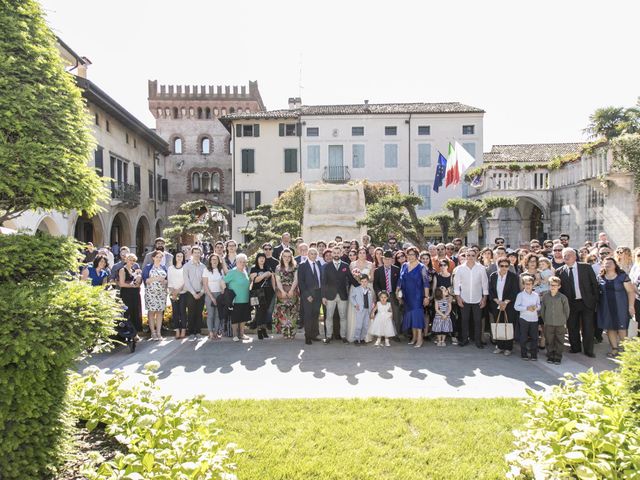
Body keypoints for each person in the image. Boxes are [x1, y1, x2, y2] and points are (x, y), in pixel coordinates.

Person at [556, 248, 599, 358]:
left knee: (588, 327)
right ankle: (575, 348)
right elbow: (559, 291)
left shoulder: (585, 267)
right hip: (571, 304)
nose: (566, 257)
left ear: (575, 257)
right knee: (572, 326)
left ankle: (589, 350)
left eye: (568, 255)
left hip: (586, 302)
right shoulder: (559, 271)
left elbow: (594, 284)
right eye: (564, 255)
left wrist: (595, 300)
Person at [597, 256, 636, 357]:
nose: (608, 264)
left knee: (622, 328)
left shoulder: (622, 276)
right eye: (606, 263)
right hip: (606, 307)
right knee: (610, 328)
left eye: (610, 263)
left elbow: (631, 292)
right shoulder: (600, 277)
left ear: (615, 265)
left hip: (621, 307)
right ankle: (614, 349)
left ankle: (627, 350)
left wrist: (631, 306)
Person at [321, 245, 360, 344]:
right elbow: (324, 282)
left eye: (338, 253)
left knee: (343, 317)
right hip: (330, 296)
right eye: (334, 253)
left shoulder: (345, 265)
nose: (336, 255)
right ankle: (328, 336)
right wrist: (323, 296)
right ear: (332, 254)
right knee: (329, 317)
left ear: (341, 253)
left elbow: (351, 279)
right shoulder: (327, 266)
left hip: (342, 295)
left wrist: (361, 285)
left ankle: (343, 336)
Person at [453, 249, 489, 348]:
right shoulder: (460, 268)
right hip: (464, 299)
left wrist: (484, 298)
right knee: (464, 320)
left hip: (478, 299)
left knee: (477, 321)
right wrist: (458, 298)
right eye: (468, 255)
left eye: (472, 255)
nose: (470, 257)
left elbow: (485, 284)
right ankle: (464, 340)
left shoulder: (481, 268)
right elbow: (456, 285)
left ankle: (478, 341)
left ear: (476, 256)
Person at [398, 247, 430, 348]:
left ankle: (420, 339)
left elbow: (426, 283)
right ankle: (414, 338)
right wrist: (397, 290)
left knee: (417, 316)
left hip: (417, 296)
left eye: (412, 254)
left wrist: (426, 297)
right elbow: (400, 279)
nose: (410, 256)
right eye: (409, 254)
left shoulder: (422, 267)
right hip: (407, 295)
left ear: (417, 255)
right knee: (411, 317)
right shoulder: (404, 266)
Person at [488, 258, 520, 355]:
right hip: (496, 304)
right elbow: (491, 290)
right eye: (502, 266)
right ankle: (499, 346)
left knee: (508, 325)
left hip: (509, 305)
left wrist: (505, 302)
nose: (504, 268)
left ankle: (508, 348)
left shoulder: (513, 277)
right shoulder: (493, 276)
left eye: (506, 266)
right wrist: (498, 301)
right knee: (499, 324)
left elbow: (515, 291)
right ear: (498, 266)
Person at [540, 276, 570, 365]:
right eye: (551, 285)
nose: (553, 287)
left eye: (555, 285)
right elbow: (543, 310)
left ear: (559, 286)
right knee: (549, 340)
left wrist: (564, 320)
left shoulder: (562, 297)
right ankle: (550, 355)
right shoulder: (545, 296)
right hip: (548, 323)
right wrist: (545, 320)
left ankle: (557, 356)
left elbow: (566, 311)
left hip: (560, 323)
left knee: (559, 340)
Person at [222, 253, 251, 341]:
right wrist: (226, 292)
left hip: (245, 298)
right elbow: (223, 281)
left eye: (244, 262)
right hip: (235, 300)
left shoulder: (245, 271)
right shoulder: (233, 272)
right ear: (236, 262)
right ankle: (235, 335)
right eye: (240, 262)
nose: (242, 263)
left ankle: (242, 334)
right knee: (235, 318)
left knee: (243, 317)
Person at [373, 250, 401, 341]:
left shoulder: (397, 269)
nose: (387, 261)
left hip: (393, 295)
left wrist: (399, 294)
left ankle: (395, 334)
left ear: (392, 260)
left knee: (395, 314)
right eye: (385, 259)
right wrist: (379, 294)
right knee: (382, 315)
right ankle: (381, 334)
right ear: (383, 259)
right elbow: (375, 284)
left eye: (389, 259)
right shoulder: (378, 271)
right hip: (382, 296)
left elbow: (399, 283)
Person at [297, 247, 323, 345]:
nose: (313, 255)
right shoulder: (303, 265)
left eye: (315, 254)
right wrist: (307, 295)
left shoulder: (318, 264)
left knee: (315, 315)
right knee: (308, 315)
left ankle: (314, 335)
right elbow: (301, 282)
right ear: (308, 254)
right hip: (308, 294)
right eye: (311, 253)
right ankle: (307, 336)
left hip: (318, 293)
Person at [272, 248, 299, 339]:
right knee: (282, 313)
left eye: (289, 256)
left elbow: (296, 279)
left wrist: (291, 290)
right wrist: (282, 291)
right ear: (281, 257)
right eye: (285, 256)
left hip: (293, 291)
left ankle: (292, 333)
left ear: (291, 257)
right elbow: (278, 281)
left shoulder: (295, 267)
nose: (287, 258)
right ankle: (285, 332)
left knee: (293, 313)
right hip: (281, 292)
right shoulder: (278, 268)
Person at [143, 250, 168, 341]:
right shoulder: (148, 267)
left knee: (160, 312)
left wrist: (164, 281)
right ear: (153, 258)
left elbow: (166, 280)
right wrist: (156, 278)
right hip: (151, 293)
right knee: (151, 312)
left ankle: (158, 332)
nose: (159, 259)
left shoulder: (164, 267)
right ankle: (153, 332)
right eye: (157, 257)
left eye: (160, 257)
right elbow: (146, 280)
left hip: (161, 293)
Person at [514, 275, 541, 361]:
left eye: (530, 284)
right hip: (524, 319)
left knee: (534, 337)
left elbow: (539, 305)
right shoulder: (520, 295)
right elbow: (516, 307)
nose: (528, 286)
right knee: (524, 337)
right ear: (523, 285)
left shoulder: (536, 295)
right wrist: (526, 308)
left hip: (534, 319)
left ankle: (533, 354)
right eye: (526, 284)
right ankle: (524, 354)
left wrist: (536, 308)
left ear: (533, 285)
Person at [249, 252, 275, 340]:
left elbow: (272, 277)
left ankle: (263, 329)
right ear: (257, 259)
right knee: (259, 311)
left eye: (263, 258)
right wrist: (264, 274)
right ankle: (259, 330)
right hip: (257, 292)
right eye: (260, 258)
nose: (262, 259)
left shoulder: (267, 267)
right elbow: (255, 280)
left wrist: (274, 289)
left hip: (268, 292)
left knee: (265, 311)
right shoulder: (254, 268)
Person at [184, 246, 206, 338]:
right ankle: (191, 332)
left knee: (199, 313)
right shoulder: (187, 266)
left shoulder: (203, 266)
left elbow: (205, 281)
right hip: (190, 293)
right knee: (191, 313)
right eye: (195, 252)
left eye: (198, 252)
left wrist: (201, 292)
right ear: (192, 254)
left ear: (201, 254)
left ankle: (198, 331)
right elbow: (186, 281)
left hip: (201, 293)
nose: (197, 254)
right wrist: (193, 293)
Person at [118, 253, 143, 333]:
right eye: (130, 260)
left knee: (135, 312)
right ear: (126, 260)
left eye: (133, 260)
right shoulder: (122, 270)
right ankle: (128, 331)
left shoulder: (134, 271)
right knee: (128, 312)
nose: (131, 262)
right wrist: (132, 286)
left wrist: (139, 280)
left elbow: (137, 283)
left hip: (135, 294)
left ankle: (135, 332)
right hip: (127, 294)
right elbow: (121, 284)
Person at [203, 253, 225, 341]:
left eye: (216, 259)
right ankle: (211, 333)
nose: (214, 261)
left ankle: (216, 332)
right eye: (213, 259)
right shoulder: (206, 270)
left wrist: (222, 291)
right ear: (210, 261)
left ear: (218, 261)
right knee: (211, 315)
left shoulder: (221, 271)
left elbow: (223, 282)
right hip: (209, 295)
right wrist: (212, 297)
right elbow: (205, 285)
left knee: (218, 315)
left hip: (219, 294)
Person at [168, 251, 187, 339]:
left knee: (182, 312)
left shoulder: (185, 268)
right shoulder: (170, 268)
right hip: (173, 293)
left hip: (183, 292)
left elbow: (185, 281)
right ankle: (177, 331)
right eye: (178, 256)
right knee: (175, 312)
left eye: (181, 256)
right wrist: (173, 292)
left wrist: (178, 291)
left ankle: (183, 330)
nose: (179, 258)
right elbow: (169, 281)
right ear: (175, 257)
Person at [350, 274, 374, 345]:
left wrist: (371, 308)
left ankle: (362, 338)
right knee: (359, 325)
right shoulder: (356, 289)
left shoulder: (369, 290)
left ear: (368, 282)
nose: (364, 283)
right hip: (360, 309)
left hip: (367, 310)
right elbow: (352, 297)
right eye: (362, 281)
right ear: (360, 282)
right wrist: (355, 304)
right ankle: (357, 339)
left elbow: (371, 299)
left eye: (365, 281)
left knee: (365, 325)